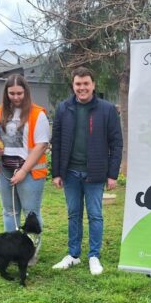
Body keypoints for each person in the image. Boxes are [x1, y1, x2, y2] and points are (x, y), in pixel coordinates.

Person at [51, 67, 123, 275]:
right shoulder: (63, 108)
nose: (82, 88)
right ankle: (73, 255)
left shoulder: (107, 109)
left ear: (93, 85)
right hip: (71, 173)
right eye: (78, 84)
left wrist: (112, 174)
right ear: (73, 86)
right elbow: (56, 142)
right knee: (73, 214)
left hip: (95, 173)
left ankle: (94, 256)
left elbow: (116, 143)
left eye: (86, 84)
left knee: (95, 215)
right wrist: (56, 173)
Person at [0, 74, 49, 263]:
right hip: (5, 168)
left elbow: (41, 145)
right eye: (12, 93)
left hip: (30, 170)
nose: (16, 97)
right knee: (9, 211)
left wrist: (23, 170)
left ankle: (31, 253)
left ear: (26, 92)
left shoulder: (37, 114)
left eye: (19, 93)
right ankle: (12, 251)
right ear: (6, 93)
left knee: (31, 213)